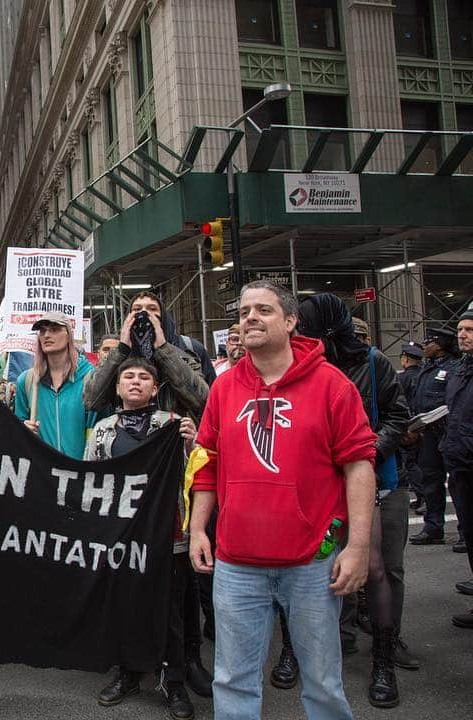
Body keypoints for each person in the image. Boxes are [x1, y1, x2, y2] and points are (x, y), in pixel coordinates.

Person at [188, 280, 376, 720]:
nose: (249, 317)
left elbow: (359, 466)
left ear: (291, 322)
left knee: (323, 680)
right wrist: (198, 528)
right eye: (244, 311)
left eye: (263, 310)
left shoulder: (333, 386)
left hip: (311, 562)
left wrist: (359, 546)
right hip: (236, 563)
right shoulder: (224, 388)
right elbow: (208, 462)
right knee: (232, 680)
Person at [286, 293, 410, 707]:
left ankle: (384, 660)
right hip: (312, 484)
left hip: (364, 479)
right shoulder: (297, 364)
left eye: (303, 321)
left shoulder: (371, 362)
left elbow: (397, 414)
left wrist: (367, 451)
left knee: (373, 567)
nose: (297, 328)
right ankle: (297, 649)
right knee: (303, 564)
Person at [86, 358, 199, 720]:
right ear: (118, 388)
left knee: (170, 613)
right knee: (125, 607)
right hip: (121, 539)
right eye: (128, 377)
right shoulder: (102, 430)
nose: (135, 382)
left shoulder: (173, 425)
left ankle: (175, 681)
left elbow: (197, 473)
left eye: (144, 377)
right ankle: (128, 674)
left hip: (168, 536)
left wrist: (190, 443)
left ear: (155, 388)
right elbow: (89, 480)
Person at [14, 312, 97, 460]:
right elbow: (18, 426)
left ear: (69, 335)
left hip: (80, 472)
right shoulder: (26, 381)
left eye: (54, 329)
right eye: (43, 331)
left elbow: (99, 428)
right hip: (42, 473)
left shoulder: (90, 377)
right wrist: (23, 430)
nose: (46, 335)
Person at [409, 327, 461, 545]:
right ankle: (433, 527)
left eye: (428, 342)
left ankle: (465, 533)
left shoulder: (455, 368)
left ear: (439, 345)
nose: (424, 346)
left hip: (448, 433)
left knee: (459, 485)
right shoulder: (425, 369)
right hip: (428, 435)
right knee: (431, 482)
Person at [444, 310, 473, 626]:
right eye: (460, 329)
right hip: (460, 464)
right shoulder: (459, 370)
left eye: (468, 330)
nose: (462, 335)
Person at [397, 343, 425, 514]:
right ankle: (423, 497)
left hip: (409, 425)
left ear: (405, 359)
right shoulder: (424, 374)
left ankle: (423, 495)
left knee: (411, 463)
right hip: (423, 424)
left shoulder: (402, 378)